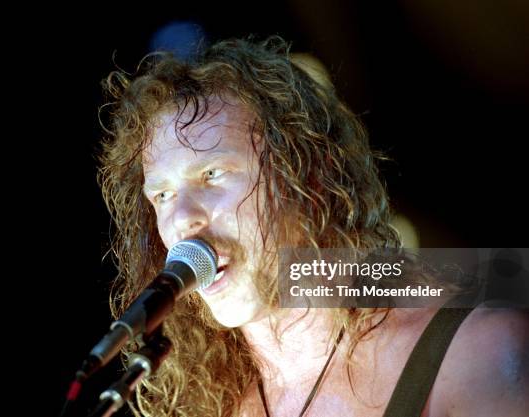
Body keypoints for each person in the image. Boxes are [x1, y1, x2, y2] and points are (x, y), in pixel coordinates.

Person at [97, 37, 528, 417]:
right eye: (163, 196)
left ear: (306, 175)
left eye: (212, 174)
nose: (179, 219)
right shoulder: (212, 406)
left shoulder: (474, 353)